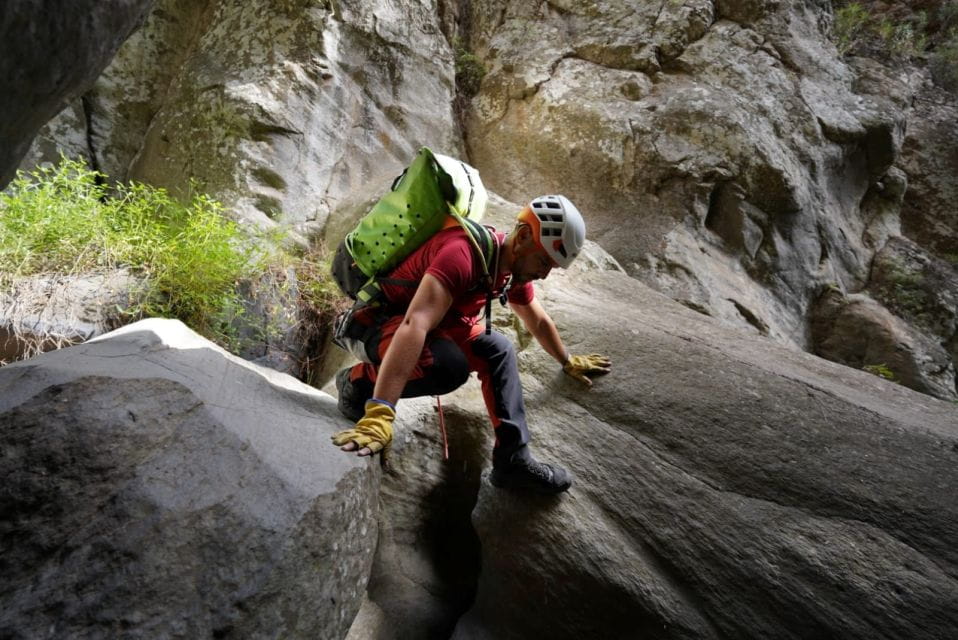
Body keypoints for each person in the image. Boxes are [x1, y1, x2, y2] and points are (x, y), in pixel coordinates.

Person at [330, 195, 611, 494]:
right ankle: (357, 384)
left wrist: (567, 360)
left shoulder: (508, 269)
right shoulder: (461, 253)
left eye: (552, 266)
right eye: (544, 261)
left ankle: (512, 461)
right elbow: (416, 324)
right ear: (525, 236)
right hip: (376, 323)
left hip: (426, 326)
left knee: (497, 348)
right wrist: (381, 412)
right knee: (448, 367)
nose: (544, 274)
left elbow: (538, 320)